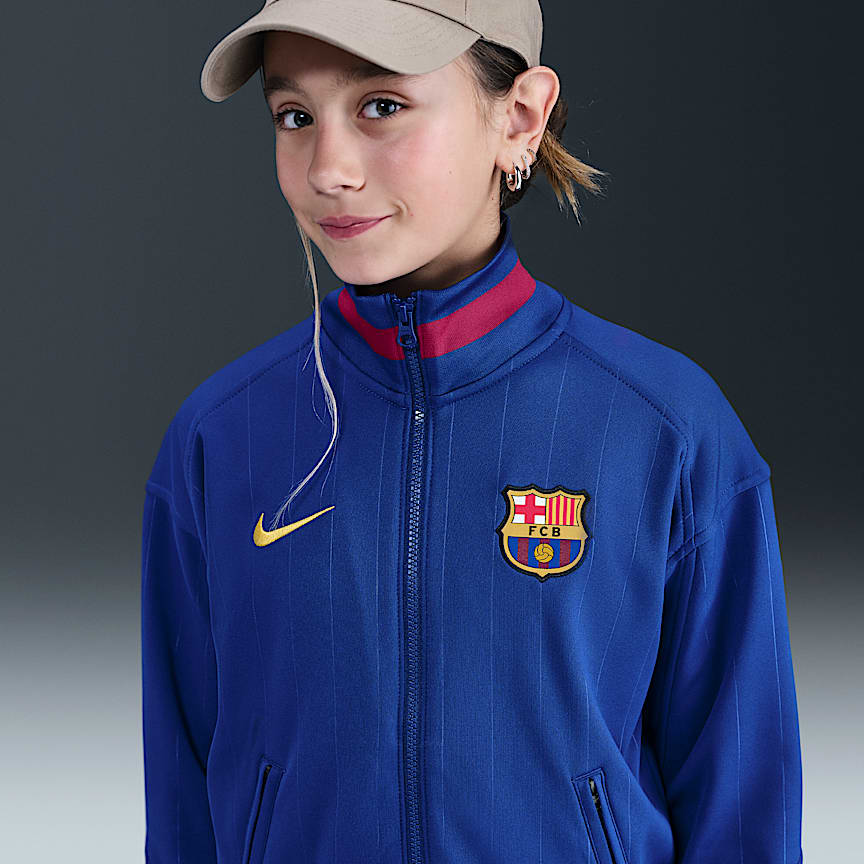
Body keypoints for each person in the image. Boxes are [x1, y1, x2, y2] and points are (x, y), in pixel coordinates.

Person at [140, 1, 804, 862]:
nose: (328, 169)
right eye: (294, 115)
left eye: (382, 105)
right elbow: (184, 795)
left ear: (519, 118)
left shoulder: (665, 428)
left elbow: (743, 801)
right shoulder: (222, 437)